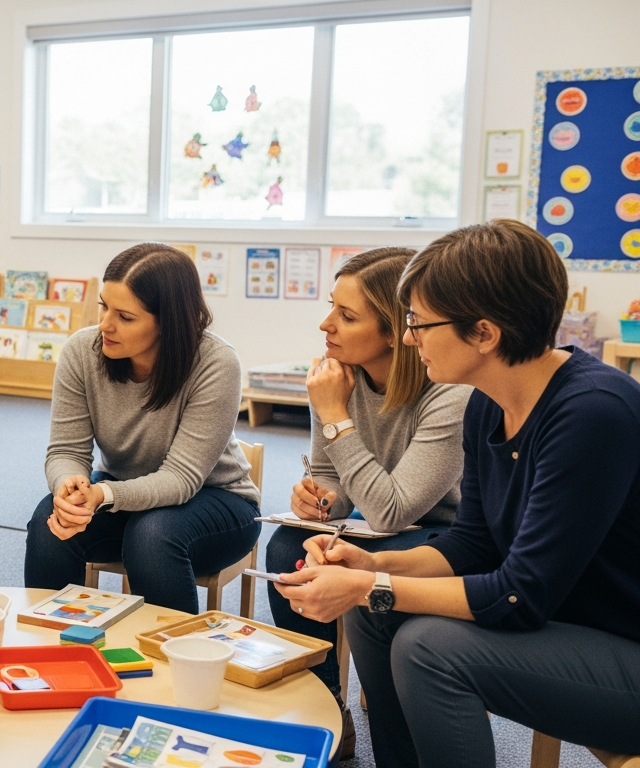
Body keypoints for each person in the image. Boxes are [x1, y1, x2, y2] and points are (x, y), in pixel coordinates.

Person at [274, 220, 640, 768]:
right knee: (374, 610)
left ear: (485, 333)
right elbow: (472, 544)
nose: (408, 337)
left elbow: (519, 595)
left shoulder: (591, 412)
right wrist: (373, 563)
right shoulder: (489, 401)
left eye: (418, 322)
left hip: (617, 647)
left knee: (428, 649)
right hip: (567, 627)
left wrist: (370, 583)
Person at [264, 247, 470, 752]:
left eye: (346, 315)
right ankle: (329, 709)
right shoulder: (338, 375)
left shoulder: (449, 391)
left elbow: (394, 510)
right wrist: (317, 500)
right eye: (332, 306)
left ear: (396, 331)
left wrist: (335, 416)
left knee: (373, 589)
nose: (325, 324)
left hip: (445, 532)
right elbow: (336, 482)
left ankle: (392, 720)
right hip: (377, 520)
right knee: (285, 548)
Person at [24, 243, 261, 615]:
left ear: (169, 320)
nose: (105, 324)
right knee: (48, 523)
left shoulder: (216, 363)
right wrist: (67, 486)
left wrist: (101, 494)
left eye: (125, 316)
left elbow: (181, 479)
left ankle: (172, 657)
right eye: (103, 305)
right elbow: (66, 451)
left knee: (151, 536)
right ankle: (50, 650)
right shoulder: (81, 351)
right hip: (125, 496)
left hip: (218, 503)